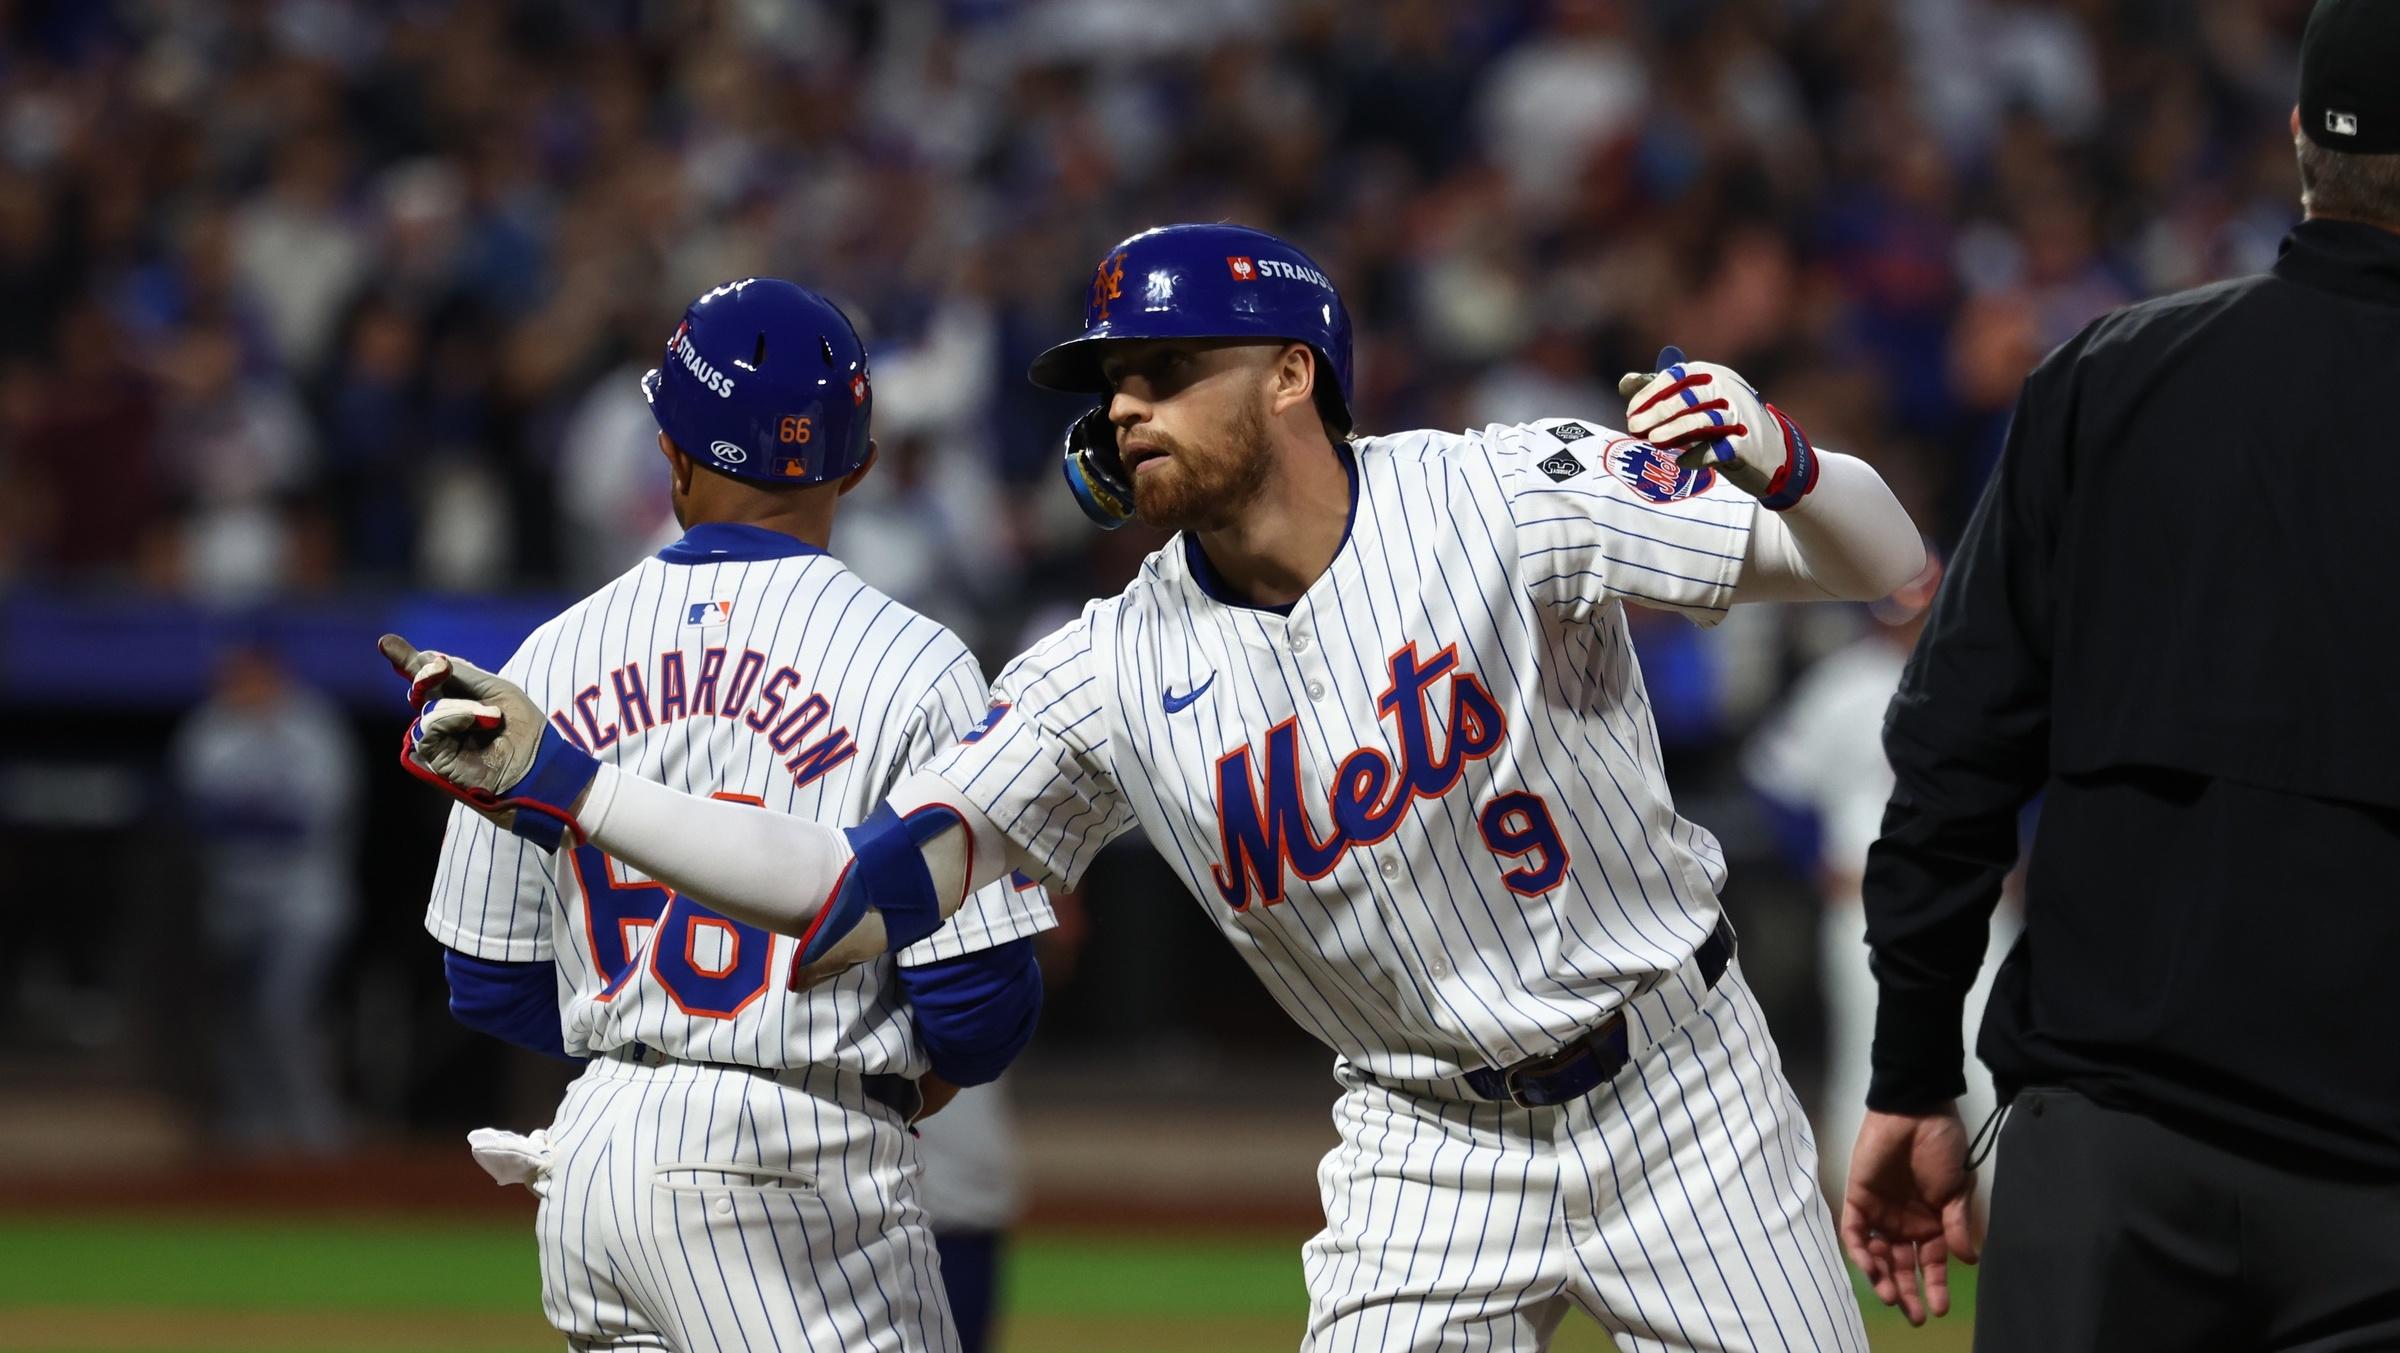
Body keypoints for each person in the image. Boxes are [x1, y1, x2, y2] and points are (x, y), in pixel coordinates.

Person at [390, 224, 1923, 1351]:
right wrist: (571, 783)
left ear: (1287, 378)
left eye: (1169, 371)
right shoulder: (1104, 671)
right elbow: (850, 894)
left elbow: (1883, 562)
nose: (1125, 406)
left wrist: (1787, 456)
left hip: (1680, 1087)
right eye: (1114, 379)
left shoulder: (1494, 491)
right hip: (1422, 1141)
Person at [1841, 2, 2400, 1346]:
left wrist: (1916, 1062)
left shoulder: (2109, 377)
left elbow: (1953, 749)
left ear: (2296, 141)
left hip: (2114, 1164)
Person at [405, 278, 1055, 1352]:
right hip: (795, 1158)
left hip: (595, 1161)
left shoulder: (549, 658)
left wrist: (649, 1044)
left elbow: (486, 979)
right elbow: (979, 1006)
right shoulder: (915, 664)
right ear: (860, 463)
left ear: (671, 450)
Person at [1740, 553, 2019, 1204]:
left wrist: (2022, 852)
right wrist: (1814, 858)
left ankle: (2010, 1214)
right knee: (1868, 1063)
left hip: (1972, 896)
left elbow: (2035, 780)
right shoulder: (1844, 684)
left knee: (1993, 1058)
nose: (1912, 618)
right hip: (1872, 900)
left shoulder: (1986, 677)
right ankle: (1863, 1214)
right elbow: (1773, 784)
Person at [171, 639, 360, 1154]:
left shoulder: (313, 727)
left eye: (252, 677)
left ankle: (315, 1132)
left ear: (276, 676)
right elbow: (198, 816)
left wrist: (244, 814)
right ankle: (250, 1132)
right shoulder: (210, 728)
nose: (242, 688)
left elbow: (309, 820)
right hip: (232, 901)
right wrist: (255, 815)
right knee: (236, 1018)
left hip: (305, 899)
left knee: (284, 1011)